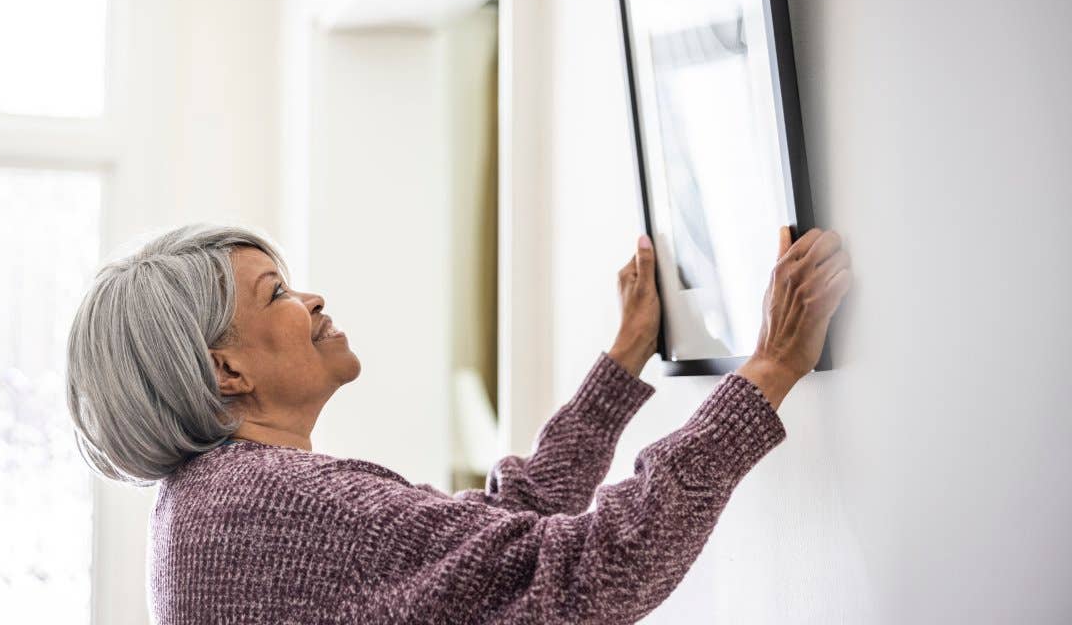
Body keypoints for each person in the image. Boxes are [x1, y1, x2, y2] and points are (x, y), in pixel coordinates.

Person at [65, 223, 852, 624]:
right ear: (224, 371)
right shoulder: (275, 502)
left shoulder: (208, 502)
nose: (311, 301)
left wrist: (621, 365)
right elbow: (594, 568)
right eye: (276, 294)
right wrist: (771, 368)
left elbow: (495, 540)